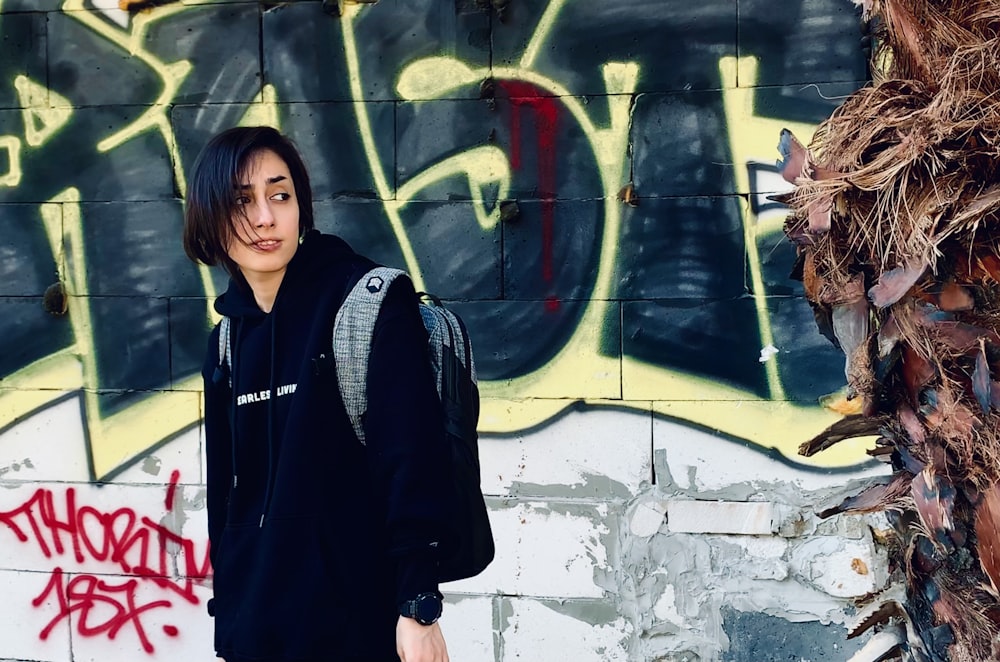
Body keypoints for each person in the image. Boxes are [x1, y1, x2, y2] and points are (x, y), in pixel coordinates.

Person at [183, 126, 451, 662]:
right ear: (210, 218)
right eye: (242, 201)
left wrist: (419, 608)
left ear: (301, 206)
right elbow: (227, 499)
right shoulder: (228, 343)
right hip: (257, 631)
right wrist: (229, 623)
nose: (265, 217)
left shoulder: (367, 306)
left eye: (280, 196)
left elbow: (411, 462)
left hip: (358, 627)